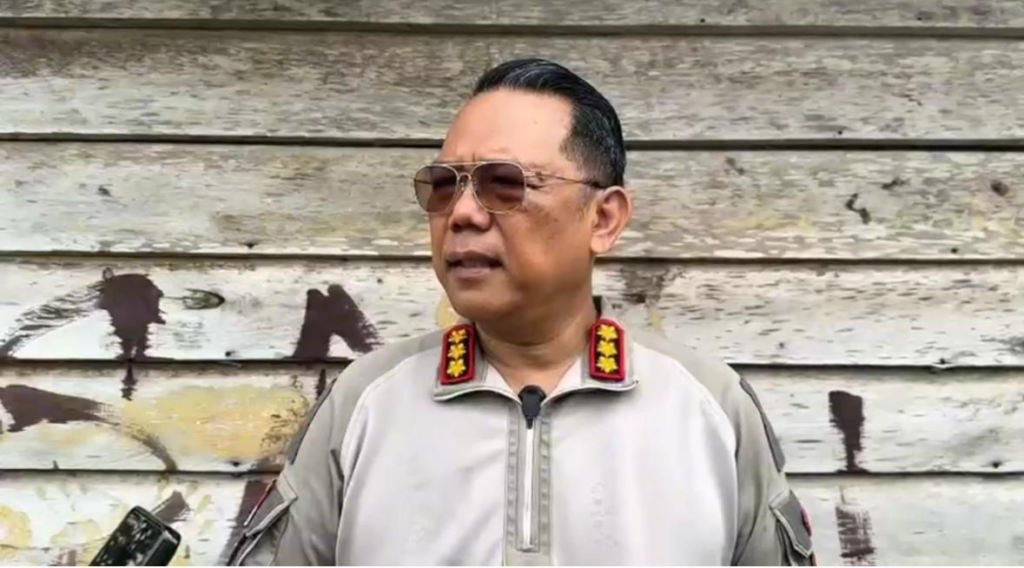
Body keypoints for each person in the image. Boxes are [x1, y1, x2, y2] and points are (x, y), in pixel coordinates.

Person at [228, 58, 814, 566]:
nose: (462, 214)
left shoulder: (709, 409)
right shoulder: (364, 405)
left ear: (604, 218)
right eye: (443, 186)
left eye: (504, 184)